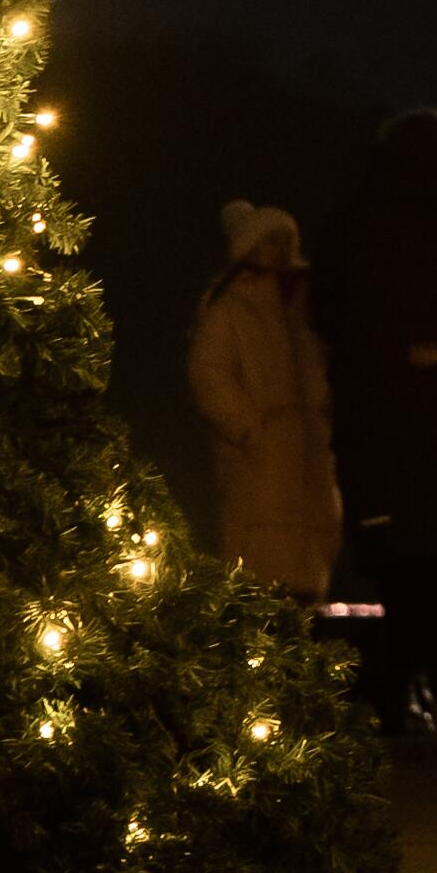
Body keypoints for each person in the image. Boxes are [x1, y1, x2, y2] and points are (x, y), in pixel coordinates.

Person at [321, 108, 437, 734]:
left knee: (398, 570)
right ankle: (420, 685)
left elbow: (329, 316)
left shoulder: (356, 232)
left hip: (382, 435)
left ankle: (397, 686)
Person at [186, 203, 339, 597]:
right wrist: (250, 429)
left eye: (286, 239)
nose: (281, 249)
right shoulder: (230, 306)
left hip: (312, 453)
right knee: (262, 570)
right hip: (261, 459)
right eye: (270, 240)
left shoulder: (310, 306)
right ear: (248, 247)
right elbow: (209, 373)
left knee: (309, 562)